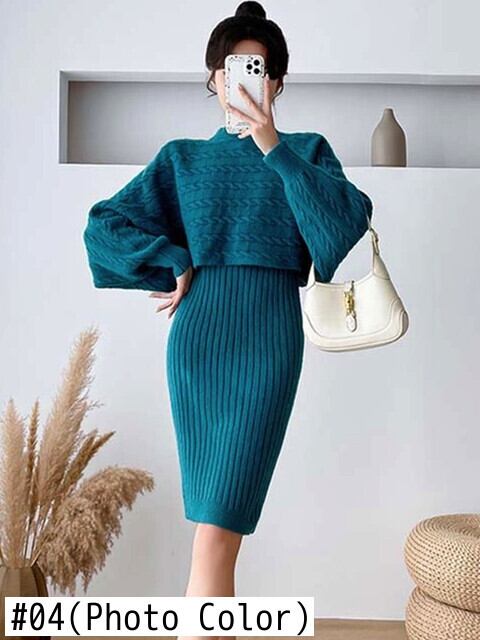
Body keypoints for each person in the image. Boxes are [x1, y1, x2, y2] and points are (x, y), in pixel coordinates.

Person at [83, 0, 373, 632]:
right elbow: (103, 226)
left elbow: (343, 226)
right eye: (231, 68)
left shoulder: (306, 152)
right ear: (214, 78)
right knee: (214, 529)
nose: (242, 79)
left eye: (257, 69)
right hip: (200, 340)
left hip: (269, 340)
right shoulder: (183, 159)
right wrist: (172, 260)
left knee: (220, 526)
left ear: (276, 83)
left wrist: (272, 146)